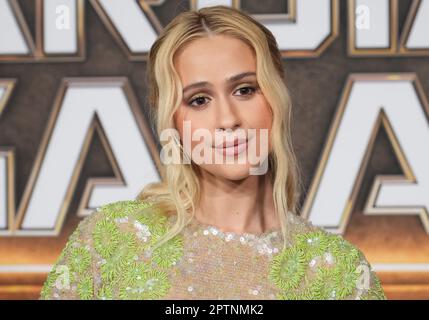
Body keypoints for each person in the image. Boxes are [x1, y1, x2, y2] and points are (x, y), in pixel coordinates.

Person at [40, 5, 386, 300]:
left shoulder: (337, 273)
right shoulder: (112, 240)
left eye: (245, 90)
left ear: (276, 98)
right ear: (172, 120)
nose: (227, 120)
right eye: (199, 100)